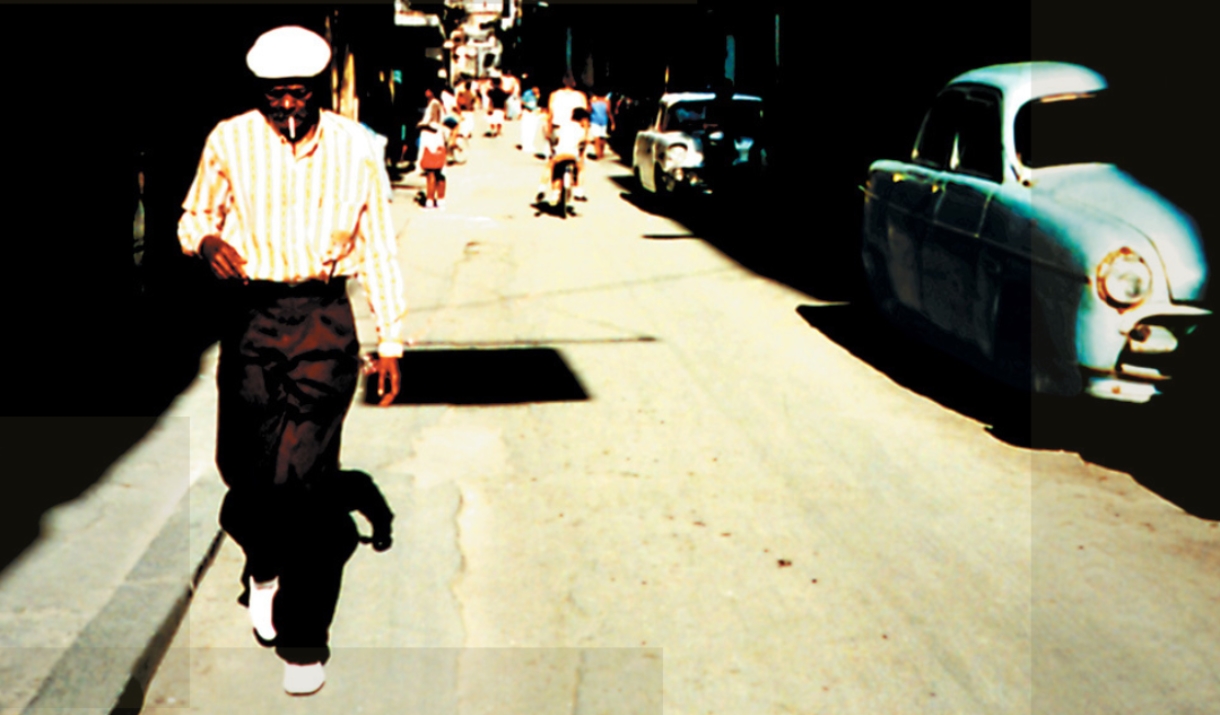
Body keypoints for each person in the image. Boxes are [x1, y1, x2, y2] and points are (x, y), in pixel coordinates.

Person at [177, 25, 407, 697]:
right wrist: (207, 240)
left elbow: (381, 246)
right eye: (275, 93)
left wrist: (390, 337)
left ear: (321, 87)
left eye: (298, 92)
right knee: (246, 470)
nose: (287, 104)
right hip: (252, 320)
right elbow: (192, 215)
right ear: (259, 91)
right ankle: (264, 562)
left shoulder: (356, 150)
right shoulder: (229, 140)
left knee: (305, 480)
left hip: (324, 321)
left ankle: (305, 639)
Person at [539, 73, 589, 203]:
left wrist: (549, 134)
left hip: (558, 129)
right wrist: (586, 133)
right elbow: (585, 116)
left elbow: (550, 115)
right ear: (574, 83)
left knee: (554, 162)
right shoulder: (580, 96)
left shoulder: (554, 95)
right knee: (580, 161)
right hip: (577, 129)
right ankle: (578, 189)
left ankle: (554, 191)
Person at [588, 88, 615, 160]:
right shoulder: (607, 101)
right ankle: (601, 153)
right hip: (604, 120)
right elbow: (608, 112)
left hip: (594, 120)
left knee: (596, 138)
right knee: (602, 137)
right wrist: (613, 123)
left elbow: (589, 111)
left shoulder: (592, 100)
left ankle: (598, 153)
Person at [517, 84, 541, 153]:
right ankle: (525, 145)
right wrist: (527, 106)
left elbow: (536, 102)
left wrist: (537, 97)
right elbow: (522, 101)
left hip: (534, 112)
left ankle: (530, 144)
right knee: (525, 129)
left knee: (532, 129)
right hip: (527, 111)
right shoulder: (527, 93)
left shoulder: (536, 94)